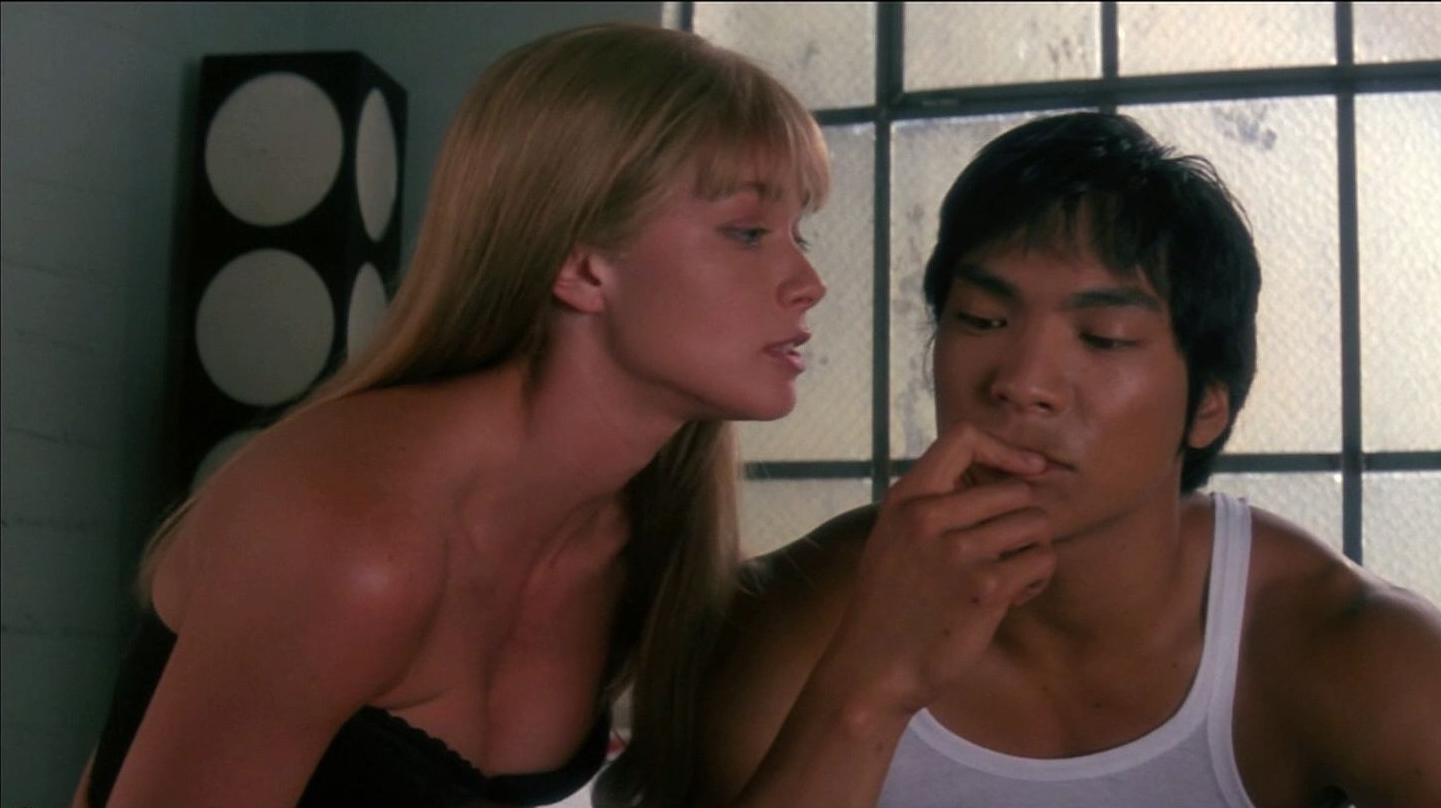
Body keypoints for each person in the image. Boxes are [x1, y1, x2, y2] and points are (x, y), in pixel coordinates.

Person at [76, 23, 1057, 808]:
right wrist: (872, 680)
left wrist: (878, 666)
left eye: (796, 232)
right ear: (582, 264)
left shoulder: (632, 542)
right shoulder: (356, 540)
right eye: (746, 231)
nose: (806, 281)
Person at [698, 112, 1441, 808]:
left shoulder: (1333, 640)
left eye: (1103, 337)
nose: (1021, 383)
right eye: (982, 321)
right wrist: (869, 685)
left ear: (1208, 404)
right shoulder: (801, 615)